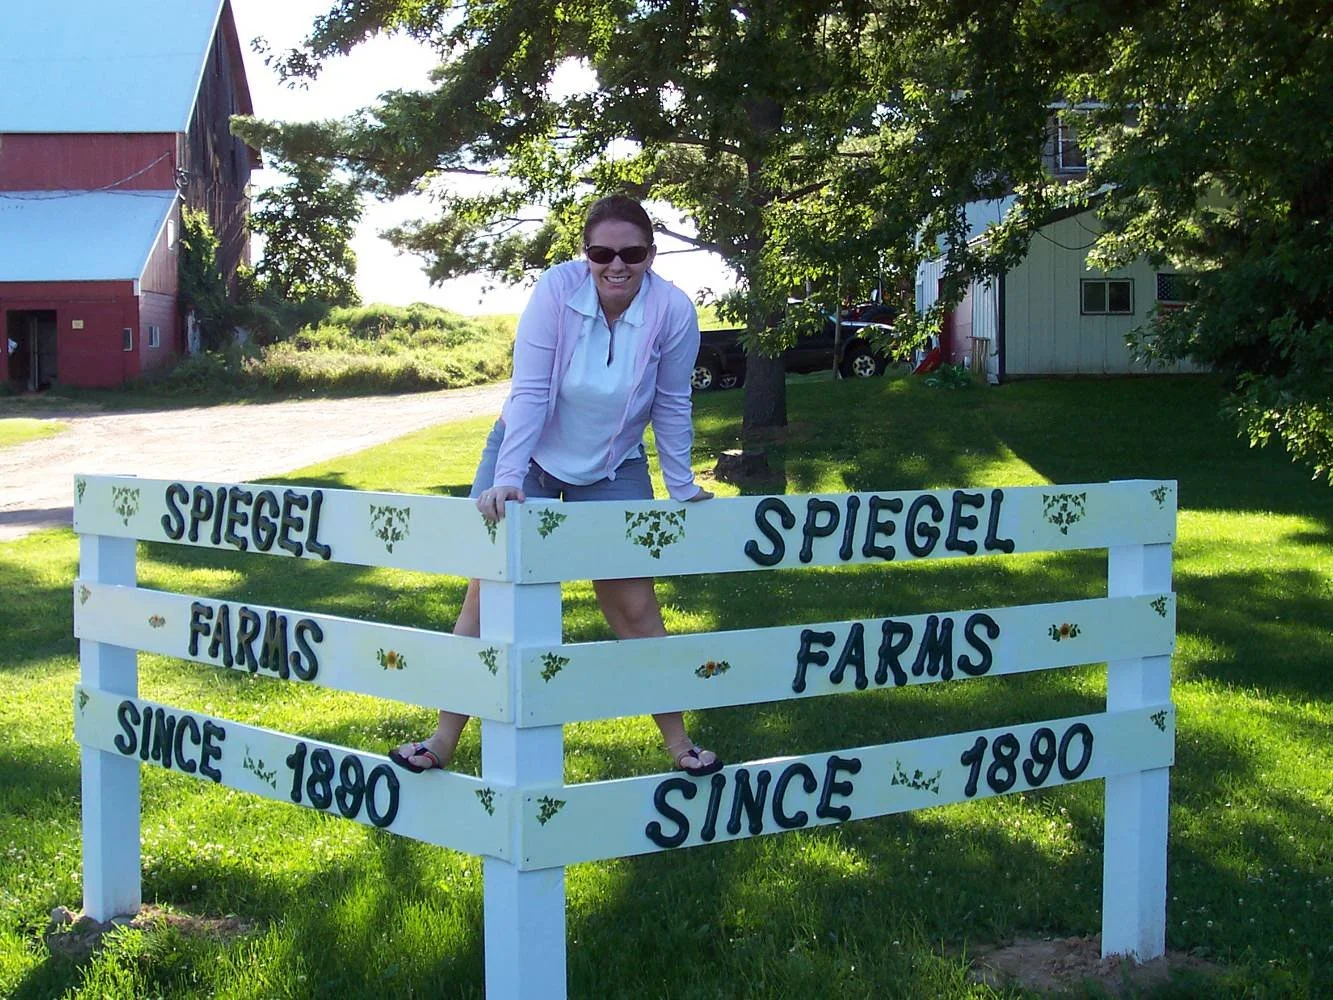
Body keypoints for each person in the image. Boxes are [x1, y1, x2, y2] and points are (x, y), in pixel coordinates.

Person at [390, 194, 722, 777]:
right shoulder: (556, 293)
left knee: (634, 604)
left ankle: (679, 744)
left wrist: (681, 485)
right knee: (488, 595)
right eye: (602, 252)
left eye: (632, 252)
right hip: (529, 453)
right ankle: (441, 740)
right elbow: (531, 390)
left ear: (651, 254)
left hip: (613, 466)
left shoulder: (674, 311)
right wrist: (509, 479)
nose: (616, 265)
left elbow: (672, 402)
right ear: (585, 254)